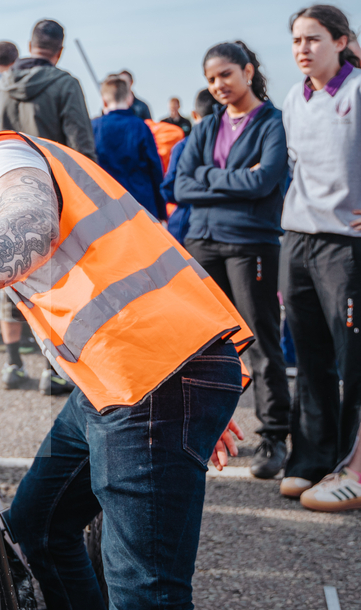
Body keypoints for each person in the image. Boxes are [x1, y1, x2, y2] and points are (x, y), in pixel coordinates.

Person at [0, 105, 251, 610]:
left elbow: (30, 222)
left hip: (147, 373)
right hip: (129, 376)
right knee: (37, 529)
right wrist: (194, 403)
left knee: (144, 594)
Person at [174, 41, 292, 481]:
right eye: (210, 79)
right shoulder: (205, 126)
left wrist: (208, 177)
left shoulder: (274, 123)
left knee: (260, 341)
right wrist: (229, 182)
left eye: (225, 74)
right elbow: (181, 186)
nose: (218, 85)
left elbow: (264, 182)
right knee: (202, 343)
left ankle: (274, 434)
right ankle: (206, 433)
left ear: (247, 71)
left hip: (250, 243)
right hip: (202, 241)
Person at [279, 5, 361, 501]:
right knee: (309, 358)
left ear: (341, 41)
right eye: (296, 41)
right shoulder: (294, 96)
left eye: (313, 39)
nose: (303, 49)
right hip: (299, 239)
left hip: (345, 244)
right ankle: (311, 458)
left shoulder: (357, 90)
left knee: (351, 358)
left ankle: (351, 465)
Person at [0, 19, 96, 161]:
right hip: (52, 179)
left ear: (30, 46)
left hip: (8, 178)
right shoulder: (66, 85)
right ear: (60, 51)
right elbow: (81, 146)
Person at [92, 75, 166, 220]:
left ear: (104, 101)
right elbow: (155, 169)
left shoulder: (93, 127)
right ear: (129, 99)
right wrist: (161, 212)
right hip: (141, 204)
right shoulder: (141, 127)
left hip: (105, 205)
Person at [160, 88, 217, 243]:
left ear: (194, 115)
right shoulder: (233, 146)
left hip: (186, 223)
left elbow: (169, 186)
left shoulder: (182, 146)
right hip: (223, 225)